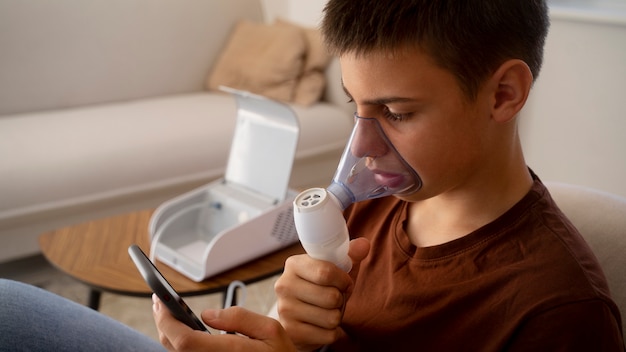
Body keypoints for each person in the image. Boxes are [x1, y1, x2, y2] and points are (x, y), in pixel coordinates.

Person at [0, 0, 624, 351]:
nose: (364, 145)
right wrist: (293, 337)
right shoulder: (379, 201)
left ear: (504, 93)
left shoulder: (559, 313)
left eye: (398, 113)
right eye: (356, 106)